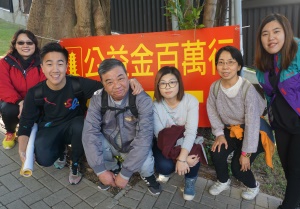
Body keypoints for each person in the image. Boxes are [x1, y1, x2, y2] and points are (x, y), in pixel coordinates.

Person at [17, 43, 143, 185]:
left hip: (74, 127)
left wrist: (129, 81)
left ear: (66, 66)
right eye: (49, 64)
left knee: (81, 125)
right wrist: (22, 149)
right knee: (43, 159)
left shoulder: (77, 84)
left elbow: (108, 85)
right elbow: (25, 123)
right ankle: (61, 151)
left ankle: (75, 163)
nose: (55, 69)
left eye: (60, 64)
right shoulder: (35, 93)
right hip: (49, 127)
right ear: (42, 68)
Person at [255, 13, 300, 209]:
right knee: (289, 170)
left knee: (298, 172)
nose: (270, 37)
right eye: (265, 34)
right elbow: (270, 95)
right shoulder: (262, 65)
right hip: (281, 125)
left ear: (286, 33)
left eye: (276, 31)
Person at [82, 58, 161, 195]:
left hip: (133, 145)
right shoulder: (98, 99)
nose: (117, 85)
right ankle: (111, 169)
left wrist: (126, 174)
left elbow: (144, 138)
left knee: (146, 161)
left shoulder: (142, 99)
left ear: (127, 76)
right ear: (103, 84)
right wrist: (100, 170)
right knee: (95, 138)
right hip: (110, 142)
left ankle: (148, 176)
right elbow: (90, 132)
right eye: (109, 82)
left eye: (120, 78)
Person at [206, 46, 266, 200]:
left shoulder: (246, 89)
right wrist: (219, 134)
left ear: (239, 66)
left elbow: (253, 122)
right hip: (231, 129)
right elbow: (211, 110)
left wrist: (246, 153)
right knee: (217, 153)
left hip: (254, 132)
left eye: (230, 62)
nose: (225, 67)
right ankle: (223, 181)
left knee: (239, 167)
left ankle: (253, 186)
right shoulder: (215, 87)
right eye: (221, 62)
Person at [153, 66, 206, 201]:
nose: (168, 87)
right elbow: (162, 137)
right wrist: (181, 159)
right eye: (163, 83)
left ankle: (190, 179)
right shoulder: (155, 106)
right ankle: (174, 168)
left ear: (179, 83)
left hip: (184, 140)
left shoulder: (190, 101)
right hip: (166, 143)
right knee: (164, 167)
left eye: (172, 82)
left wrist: (184, 159)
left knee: (194, 154)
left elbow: (190, 132)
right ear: (158, 86)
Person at [0, 29, 46, 150]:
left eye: (29, 43)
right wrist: (19, 101)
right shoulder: (5, 63)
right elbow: (3, 85)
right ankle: (10, 131)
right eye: (21, 43)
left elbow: (44, 84)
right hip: (13, 100)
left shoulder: (43, 62)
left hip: (36, 99)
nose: (25, 45)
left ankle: (34, 131)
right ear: (15, 45)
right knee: (7, 110)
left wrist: (29, 101)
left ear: (35, 45)